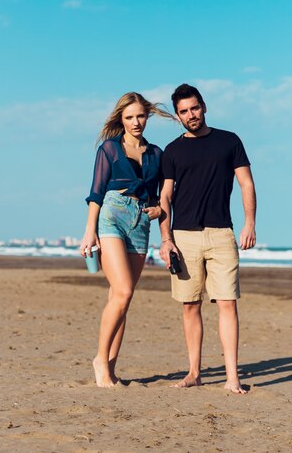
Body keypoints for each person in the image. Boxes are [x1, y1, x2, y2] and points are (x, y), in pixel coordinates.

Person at [159, 83, 256, 394]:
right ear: (178, 116)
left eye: (195, 108)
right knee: (190, 305)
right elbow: (165, 197)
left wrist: (249, 223)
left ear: (204, 107)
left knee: (227, 303)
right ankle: (194, 372)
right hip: (184, 237)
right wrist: (166, 239)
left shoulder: (229, 141)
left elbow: (246, 184)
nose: (192, 115)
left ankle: (232, 378)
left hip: (221, 234)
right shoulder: (172, 151)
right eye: (184, 111)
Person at [80, 92, 174, 387]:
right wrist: (88, 230)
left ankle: (110, 367)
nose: (136, 122)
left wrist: (161, 218)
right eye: (130, 117)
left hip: (141, 223)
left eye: (140, 116)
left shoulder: (157, 154)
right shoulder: (109, 149)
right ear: (121, 118)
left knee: (121, 298)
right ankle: (99, 360)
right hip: (112, 215)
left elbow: (162, 198)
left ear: (148, 116)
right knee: (122, 292)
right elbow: (96, 193)